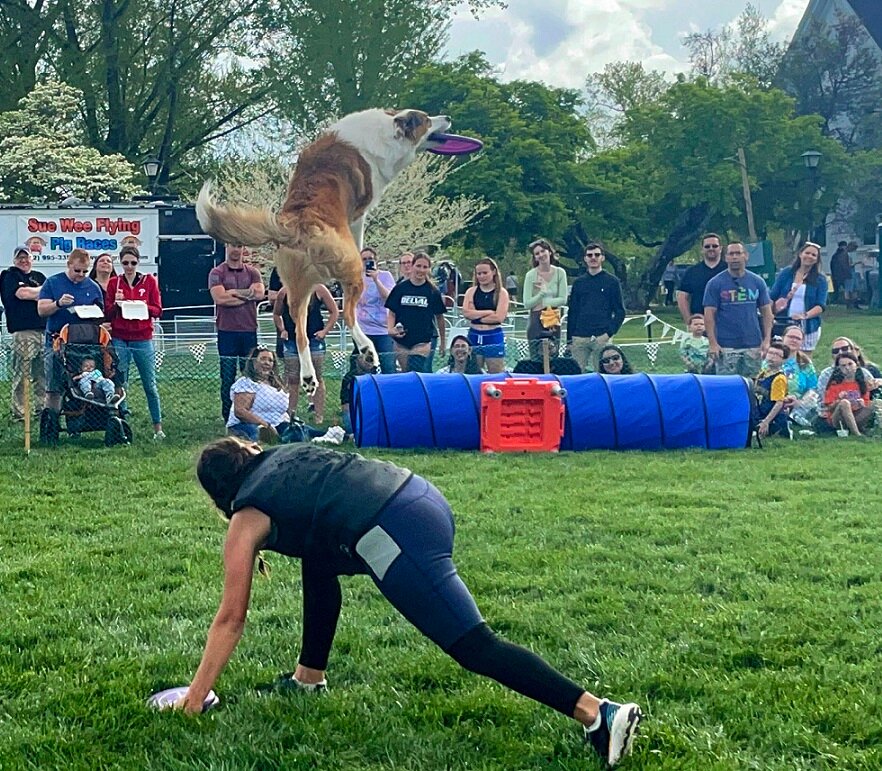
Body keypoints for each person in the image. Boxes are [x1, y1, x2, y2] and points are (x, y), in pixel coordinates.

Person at [180, 438, 643, 768]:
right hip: (418, 494)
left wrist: (195, 697)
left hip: (396, 529)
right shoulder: (281, 455)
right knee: (317, 559)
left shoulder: (248, 514)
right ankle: (308, 678)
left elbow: (230, 618)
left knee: (473, 645)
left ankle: (597, 712)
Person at [104, 245, 165, 440]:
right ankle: (122, 422)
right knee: (121, 381)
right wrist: (116, 303)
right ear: (120, 263)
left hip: (143, 337)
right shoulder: (115, 282)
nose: (129, 266)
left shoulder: (149, 282)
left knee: (150, 383)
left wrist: (142, 307)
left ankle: (158, 426)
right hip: (120, 336)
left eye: (133, 263)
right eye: (125, 263)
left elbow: (158, 310)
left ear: (138, 262)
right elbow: (108, 312)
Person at [37, 249, 105, 413]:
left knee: (87, 382)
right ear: (69, 265)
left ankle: (82, 419)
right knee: (54, 386)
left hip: (85, 345)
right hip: (57, 343)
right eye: (77, 271)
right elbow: (41, 310)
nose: (81, 274)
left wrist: (95, 313)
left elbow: (101, 314)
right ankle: (51, 421)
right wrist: (58, 304)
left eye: (84, 271)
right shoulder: (53, 282)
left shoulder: (93, 287)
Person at [209, 243, 265, 422]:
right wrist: (246, 296)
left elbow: (259, 294)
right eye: (233, 245)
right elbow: (220, 298)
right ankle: (229, 416)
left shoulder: (253, 272)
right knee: (227, 377)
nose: (236, 249)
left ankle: (250, 414)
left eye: (239, 245)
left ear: (243, 249)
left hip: (249, 330)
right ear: (226, 246)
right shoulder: (217, 273)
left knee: (251, 376)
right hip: (227, 332)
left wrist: (233, 293)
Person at [226, 346, 326, 444]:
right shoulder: (246, 383)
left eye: (270, 360)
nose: (267, 363)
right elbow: (240, 411)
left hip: (277, 423)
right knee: (255, 433)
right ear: (253, 361)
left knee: (299, 430)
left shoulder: (277, 384)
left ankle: (330, 435)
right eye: (263, 359)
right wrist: (266, 426)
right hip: (248, 424)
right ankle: (268, 441)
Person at [703, 241, 772, 378]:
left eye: (738, 253)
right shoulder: (715, 283)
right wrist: (713, 343)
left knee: (753, 385)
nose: (734, 257)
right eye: (731, 254)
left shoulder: (757, 282)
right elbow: (709, 315)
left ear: (746, 256)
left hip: (753, 343)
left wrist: (767, 340)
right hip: (726, 345)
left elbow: (767, 313)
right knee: (726, 386)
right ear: (726, 257)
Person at [273, 284, 338, 421]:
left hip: (314, 339)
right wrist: (282, 329)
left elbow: (334, 311)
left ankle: (318, 415)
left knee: (317, 377)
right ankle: (291, 414)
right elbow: (277, 314)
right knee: (292, 378)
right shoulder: (284, 292)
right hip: (292, 340)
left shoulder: (318, 289)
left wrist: (325, 331)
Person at [0, 245, 46, 420]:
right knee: (22, 374)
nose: (24, 261)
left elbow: (49, 296)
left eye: (27, 257)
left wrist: (39, 293)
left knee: (43, 374)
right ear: (14, 260)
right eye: (20, 258)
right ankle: (19, 412)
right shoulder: (9, 276)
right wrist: (41, 292)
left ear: (32, 259)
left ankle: (42, 409)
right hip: (24, 332)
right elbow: (22, 294)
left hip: (44, 331)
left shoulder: (39, 276)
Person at [565, 243, 626, 373]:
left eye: (597, 255)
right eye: (590, 255)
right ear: (585, 258)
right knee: (576, 375)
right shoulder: (578, 283)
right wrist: (569, 339)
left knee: (603, 375)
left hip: (602, 336)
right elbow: (573, 312)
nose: (593, 258)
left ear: (602, 258)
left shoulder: (612, 282)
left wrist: (608, 333)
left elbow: (620, 312)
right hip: (579, 337)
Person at [385, 252, 446, 373]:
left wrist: (443, 342)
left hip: (422, 340)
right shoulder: (400, 288)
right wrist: (390, 329)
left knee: (416, 370)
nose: (421, 270)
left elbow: (440, 317)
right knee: (406, 373)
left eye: (425, 267)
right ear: (412, 266)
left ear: (429, 269)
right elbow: (392, 312)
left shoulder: (432, 291)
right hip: (402, 340)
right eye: (418, 266)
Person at [768, 242, 827, 353]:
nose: (809, 256)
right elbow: (772, 296)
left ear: (817, 260)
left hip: (807, 325)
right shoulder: (786, 273)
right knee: (781, 354)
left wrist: (804, 316)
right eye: (807, 253)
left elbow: (821, 305)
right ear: (800, 254)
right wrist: (772, 311)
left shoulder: (820, 279)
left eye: (814, 255)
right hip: (784, 322)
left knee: (803, 358)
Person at [523, 239, 568, 362]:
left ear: (549, 252)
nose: (541, 255)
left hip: (553, 317)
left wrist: (543, 303)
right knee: (536, 358)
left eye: (543, 251)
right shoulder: (531, 275)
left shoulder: (560, 273)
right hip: (536, 318)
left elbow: (562, 299)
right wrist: (542, 293)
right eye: (537, 253)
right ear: (535, 257)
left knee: (553, 355)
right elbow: (527, 303)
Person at [462, 258, 509, 373]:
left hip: (493, 336)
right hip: (474, 335)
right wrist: (489, 312)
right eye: (479, 274)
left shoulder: (501, 293)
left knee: (496, 373)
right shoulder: (471, 291)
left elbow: (499, 317)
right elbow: (466, 313)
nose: (482, 276)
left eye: (485, 273)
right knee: (473, 371)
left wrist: (476, 315)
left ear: (493, 272)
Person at [355, 247, 396, 374]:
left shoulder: (385, 276)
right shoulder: (356, 278)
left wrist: (375, 279)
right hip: (363, 330)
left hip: (382, 330)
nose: (367, 262)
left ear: (376, 261)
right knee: (363, 367)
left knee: (387, 366)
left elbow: (389, 298)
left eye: (370, 259)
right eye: (364, 259)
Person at [677, 233, 726, 325]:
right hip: (701, 323)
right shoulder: (692, 272)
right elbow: (682, 297)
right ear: (702, 249)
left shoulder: (729, 270)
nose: (711, 248)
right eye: (707, 246)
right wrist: (689, 321)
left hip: (727, 323)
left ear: (720, 248)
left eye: (714, 246)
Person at [822, 352, 873, 436]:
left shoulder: (862, 384)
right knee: (845, 403)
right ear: (839, 368)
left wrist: (862, 404)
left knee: (877, 403)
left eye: (850, 364)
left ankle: (875, 429)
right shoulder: (834, 385)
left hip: (857, 415)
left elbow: (866, 403)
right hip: (838, 419)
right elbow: (828, 409)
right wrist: (838, 400)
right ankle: (857, 434)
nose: (847, 368)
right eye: (843, 366)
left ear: (856, 365)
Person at [779, 325, 819, 427]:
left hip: (797, 404)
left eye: (798, 338)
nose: (794, 340)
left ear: (802, 342)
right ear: (783, 338)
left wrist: (800, 403)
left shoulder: (805, 363)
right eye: (791, 337)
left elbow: (813, 388)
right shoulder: (771, 357)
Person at [754, 342, 790, 438]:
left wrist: (766, 422)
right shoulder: (762, 373)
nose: (772, 357)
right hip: (760, 413)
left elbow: (779, 403)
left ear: (784, 360)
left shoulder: (779, 378)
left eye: (777, 355)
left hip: (773, 418)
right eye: (770, 353)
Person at [339, 352, 375, 435]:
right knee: (350, 425)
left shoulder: (376, 376)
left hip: (371, 411)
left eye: (371, 359)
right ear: (356, 360)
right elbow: (345, 405)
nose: (369, 361)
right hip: (355, 411)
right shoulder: (349, 377)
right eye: (365, 358)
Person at [829, 241, 852, 306]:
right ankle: (848, 303)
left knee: (836, 290)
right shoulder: (844, 254)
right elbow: (844, 265)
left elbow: (831, 265)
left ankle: (834, 301)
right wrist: (848, 273)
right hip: (843, 275)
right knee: (847, 289)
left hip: (836, 275)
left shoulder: (835, 255)